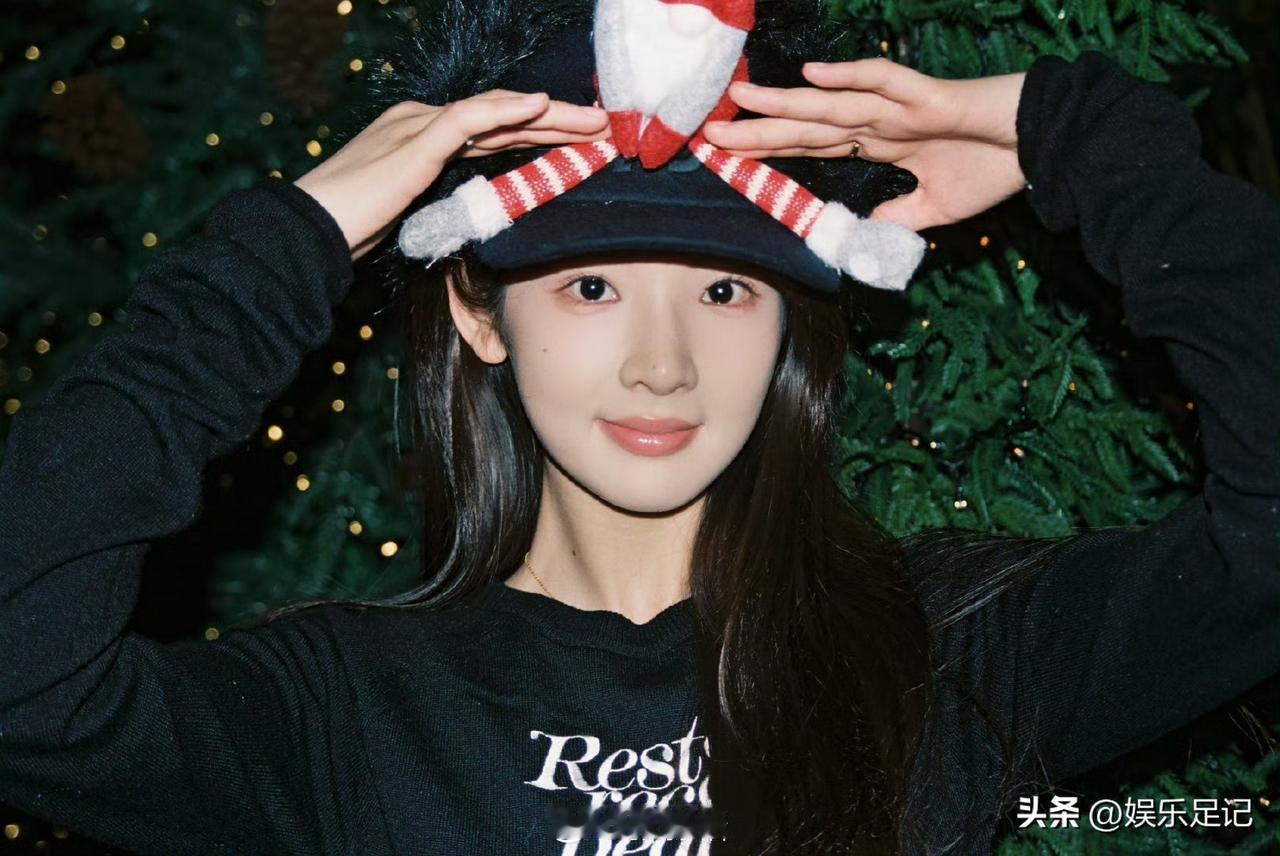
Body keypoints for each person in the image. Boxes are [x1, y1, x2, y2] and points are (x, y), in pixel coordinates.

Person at [0, 0, 1276, 853]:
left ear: (788, 321)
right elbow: (25, 680)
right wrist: (293, 239)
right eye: (591, 287)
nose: (662, 366)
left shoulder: (952, 658)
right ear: (481, 310)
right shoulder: (344, 715)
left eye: (723, 291)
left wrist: (1074, 138)